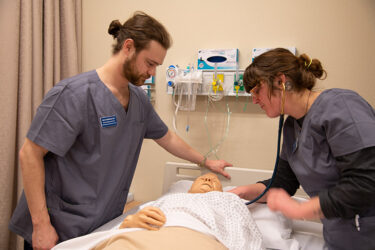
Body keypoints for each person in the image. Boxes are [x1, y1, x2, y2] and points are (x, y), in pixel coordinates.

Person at [9, 11, 232, 250]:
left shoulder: (138, 100)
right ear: (128, 47)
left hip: (102, 224)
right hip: (59, 225)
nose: (152, 72)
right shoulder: (73, 95)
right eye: (150, 63)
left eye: (157, 66)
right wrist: (41, 224)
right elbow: (29, 154)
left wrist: (207, 162)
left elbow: (166, 137)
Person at [228, 48, 375, 250]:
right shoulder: (291, 128)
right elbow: (283, 183)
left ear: (281, 81)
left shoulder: (341, 106)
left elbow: (366, 182)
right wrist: (244, 191)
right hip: (339, 239)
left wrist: (301, 209)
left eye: (256, 90)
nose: (254, 100)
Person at [52, 173, 262, 250]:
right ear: (189, 188)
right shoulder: (167, 200)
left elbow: (245, 236)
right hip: (145, 236)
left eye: (214, 181)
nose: (208, 179)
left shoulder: (229, 201)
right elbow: (129, 223)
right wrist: (129, 223)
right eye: (202, 178)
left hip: (197, 239)